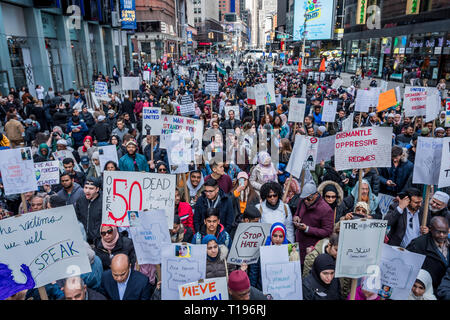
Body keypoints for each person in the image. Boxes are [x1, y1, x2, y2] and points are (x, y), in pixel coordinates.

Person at [293, 183, 334, 263]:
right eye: (304, 198)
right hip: (298, 244)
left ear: (315, 195)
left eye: (308, 199)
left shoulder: (326, 209)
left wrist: (307, 229)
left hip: (312, 248)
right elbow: (297, 213)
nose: (306, 201)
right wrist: (296, 217)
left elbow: (327, 231)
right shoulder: (302, 202)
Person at [407, 216, 449, 294]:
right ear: (431, 229)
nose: (442, 235)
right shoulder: (418, 245)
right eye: (438, 232)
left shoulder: (448, 243)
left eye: (445, 232)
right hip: (427, 291)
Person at [75, 177, 103, 244]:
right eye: (86, 187)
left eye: (91, 188)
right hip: (84, 240)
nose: (87, 191)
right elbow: (77, 218)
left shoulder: (103, 202)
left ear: (97, 189)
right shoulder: (80, 200)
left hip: (99, 241)